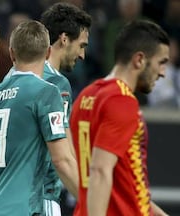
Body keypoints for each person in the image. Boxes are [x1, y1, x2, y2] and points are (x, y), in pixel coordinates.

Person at [70, 19, 170, 216]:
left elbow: (125, 187)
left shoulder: (86, 96)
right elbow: (100, 171)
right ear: (139, 60)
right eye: (161, 63)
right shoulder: (122, 101)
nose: (163, 73)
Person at [0, 20, 78, 216]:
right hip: (27, 207)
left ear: (11, 53)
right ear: (49, 53)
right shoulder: (47, 92)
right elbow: (62, 160)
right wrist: (93, 203)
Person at [39, 3, 92, 215]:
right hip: (41, 197)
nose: (82, 55)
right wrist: (92, 204)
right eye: (81, 45)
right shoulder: (56, 85)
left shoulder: (11, 79)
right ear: (63, 39)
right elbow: (62, 158)